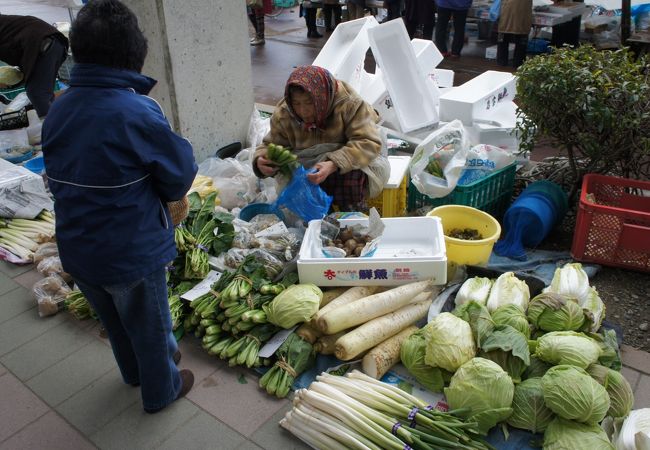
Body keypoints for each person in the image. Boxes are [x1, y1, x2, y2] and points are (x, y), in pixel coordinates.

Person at [41, 0, 197, 414]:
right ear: (134, 53)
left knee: (116, 322)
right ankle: (161, 390)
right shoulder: (136, 110)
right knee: (149, 323)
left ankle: (134, 373)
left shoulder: (59, 106)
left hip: (78, 247)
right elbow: (179, 174)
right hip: (131, 249)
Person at [253, 66, 389, 213]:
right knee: (304, 193)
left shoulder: (350, 105)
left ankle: (352, 218)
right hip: (309, 169)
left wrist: (333, 164)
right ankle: (320, 223)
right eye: (297, 104)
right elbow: (270, 145)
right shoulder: (286, 113)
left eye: (309, 103)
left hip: (349, 163)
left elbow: (367, 142)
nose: (303, 111)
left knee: (349, 180)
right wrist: (261, 160)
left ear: (321, 97)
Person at [0, 13, 68, 117]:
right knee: (44, 94)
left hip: (41, 43)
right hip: (52, 43)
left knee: (37, 94)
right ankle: (58, 122)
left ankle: (54, 129)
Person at [496, 0, 532, 69]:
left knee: (503, 41)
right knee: (521, 42)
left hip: (506, 16)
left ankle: (501, 63)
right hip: (522, 17)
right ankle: (518, 64)